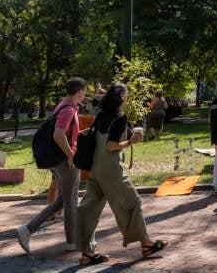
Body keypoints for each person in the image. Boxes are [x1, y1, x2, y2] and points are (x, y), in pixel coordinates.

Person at [74, 83, 168, 265]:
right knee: (134, 203)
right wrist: (131, 141)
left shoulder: (100, 115)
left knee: (88, 211)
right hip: (112, 170)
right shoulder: (119, 118)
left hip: (95, 169)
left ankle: (86, 253)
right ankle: (146, 244)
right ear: (123, 98)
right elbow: (111, 146)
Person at [16, 77, 86, 254]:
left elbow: (66, 133)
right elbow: (58, 134)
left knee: (64, 200)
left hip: (58, 160)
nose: (85, 94)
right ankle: (71, 242)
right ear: (80, 92)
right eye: (84, 91)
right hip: (65, 161)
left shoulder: (64, 106)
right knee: (70, 201)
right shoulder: (69, 109)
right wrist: (71, 156)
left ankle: (28, 229)